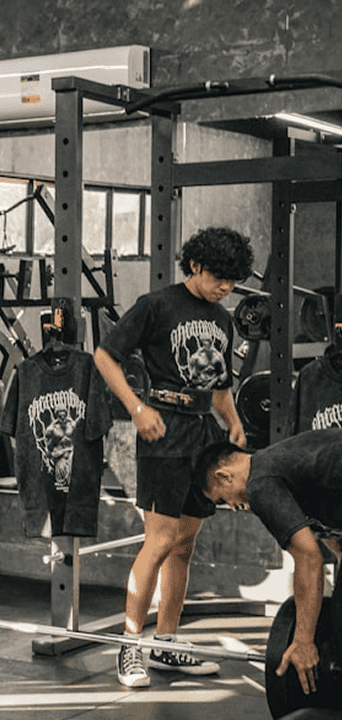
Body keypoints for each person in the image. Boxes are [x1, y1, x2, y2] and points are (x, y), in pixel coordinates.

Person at [94, 226, 253, 688]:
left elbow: (218, 385)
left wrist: (234, 419)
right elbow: (106, 356)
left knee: (185, 544)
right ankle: (130, 647)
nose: (226, 287)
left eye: (233, 280)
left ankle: (166, 642)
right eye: (220, 277)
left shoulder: (222, 320)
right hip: (161, 428)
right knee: (160, 541)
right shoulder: (156, 305)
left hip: (203, 433)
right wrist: (137, 409)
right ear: (197, 266)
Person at [194, 428, 342, 696]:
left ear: (224, 475)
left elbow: (309, 557)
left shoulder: (260, 484)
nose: (237, 506)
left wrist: (304, 641)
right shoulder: (279, 459)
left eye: (224, 499)